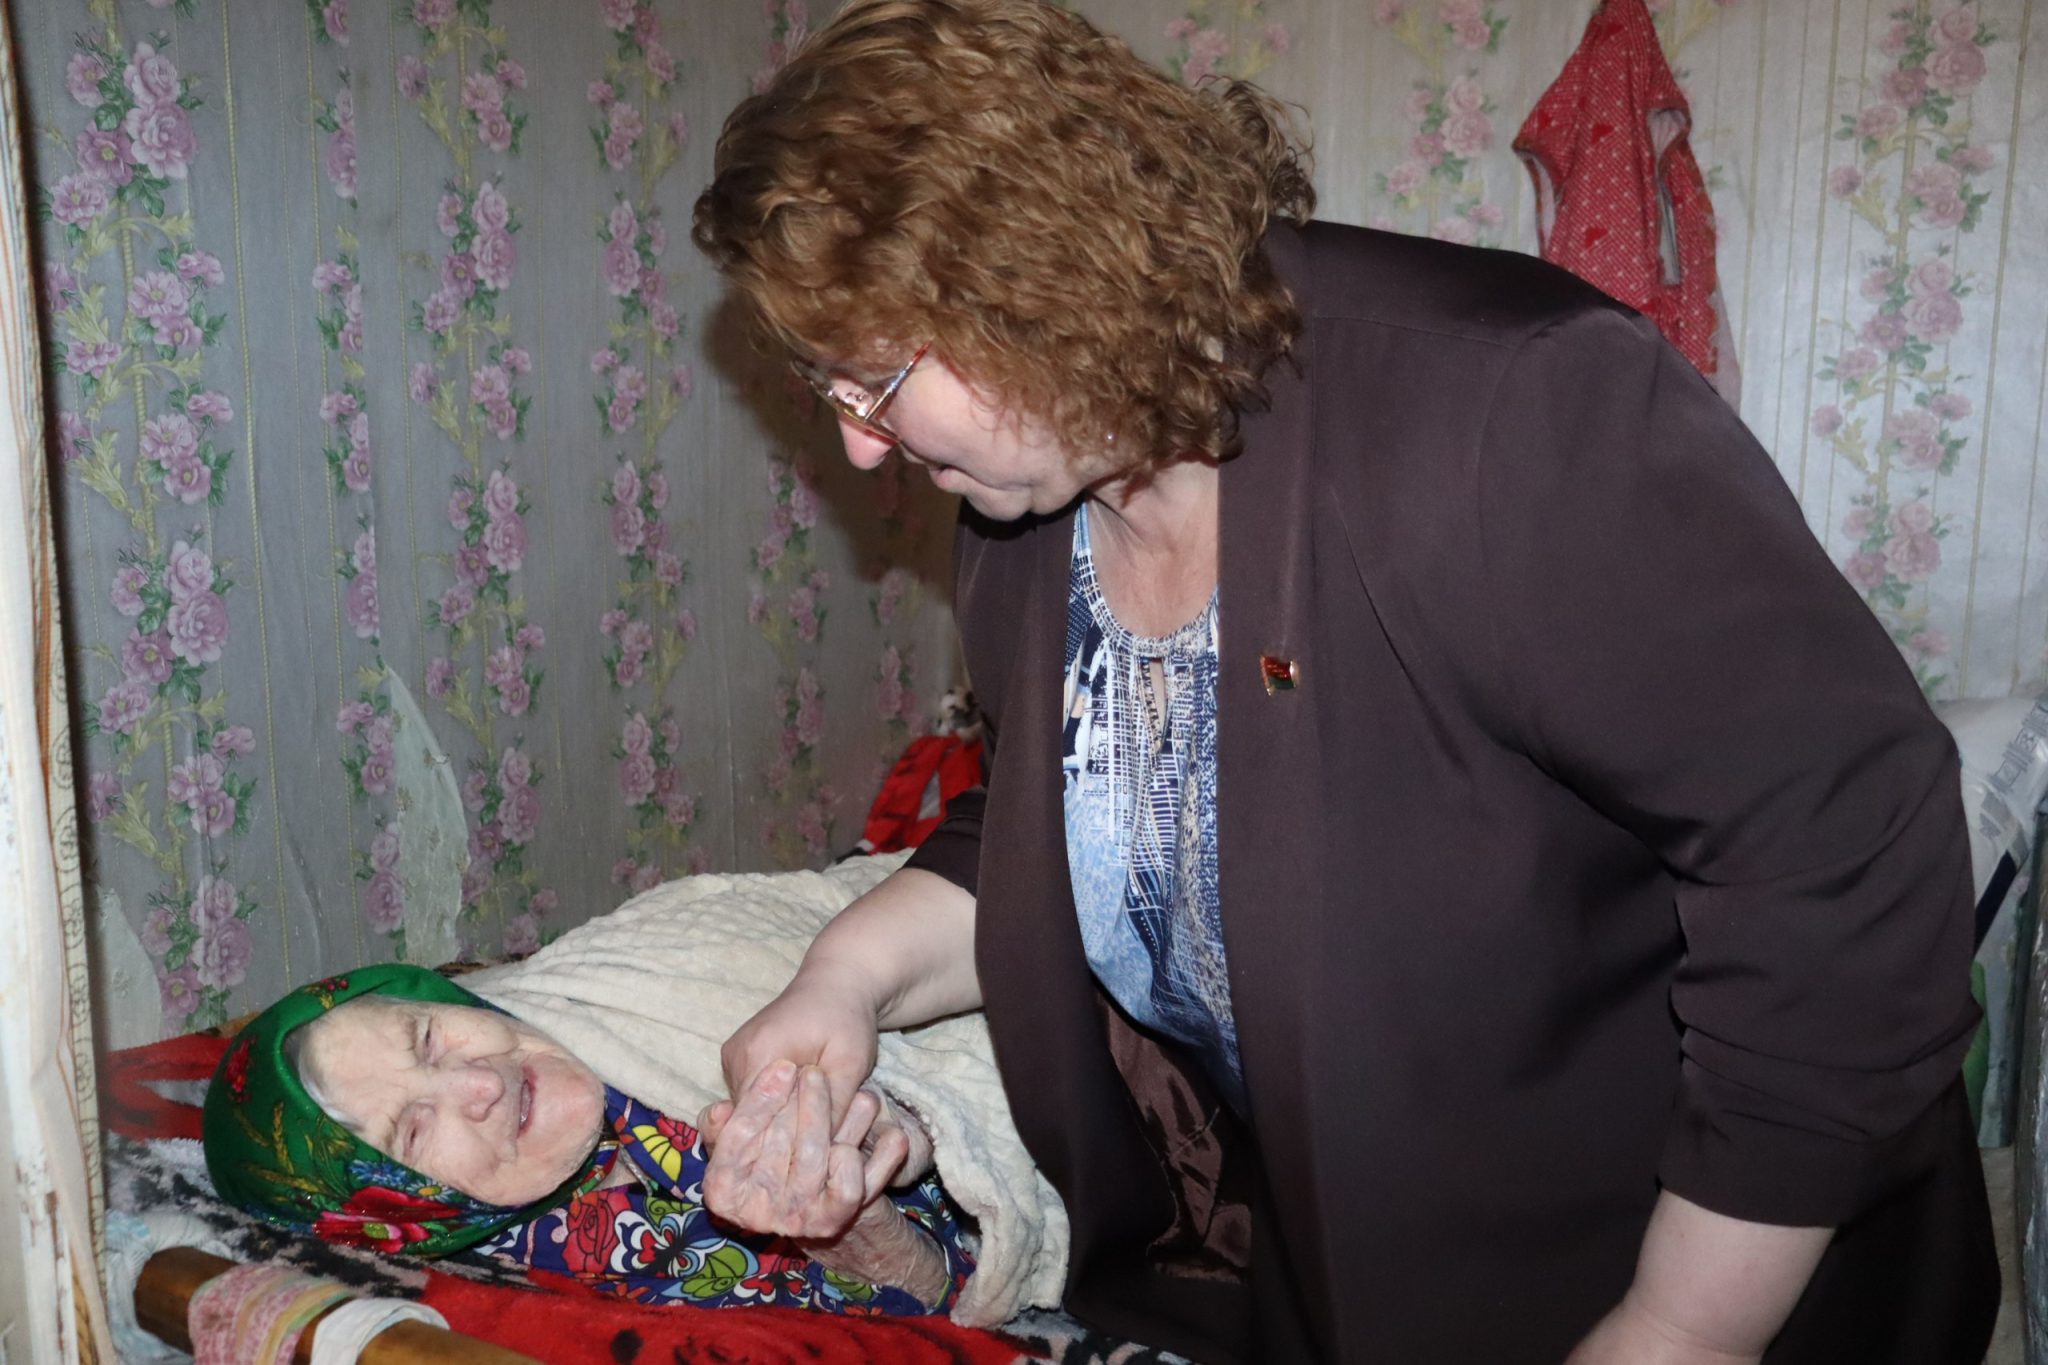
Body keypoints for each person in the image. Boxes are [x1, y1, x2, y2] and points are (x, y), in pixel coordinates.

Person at [689, 1, 2001, 1361]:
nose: (861, 448)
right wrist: (840, 984)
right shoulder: (1023, 526)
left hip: (1686, 1264)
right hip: (1332, 1275)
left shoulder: (1507, 411)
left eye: (877, 380)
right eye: (831, 390)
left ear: (1036, 277)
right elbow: (1067, 827)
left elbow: (1842, 851)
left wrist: (1683, 1328)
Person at [201, 963, 972, 1314]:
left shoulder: (608, 981)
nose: (480, 1083)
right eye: (414, 1129)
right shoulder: (571, 1287)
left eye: (428, 1037)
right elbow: (966, 1305)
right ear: (402, 1212)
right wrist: (864, 1238)